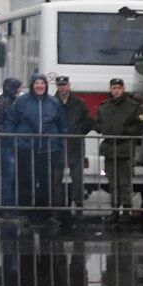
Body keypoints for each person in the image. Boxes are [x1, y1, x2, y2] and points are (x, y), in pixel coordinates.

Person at [7, 73, 67, 222]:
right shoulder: (21, 101)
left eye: (42, 83)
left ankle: (44, 213)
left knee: (46, 181)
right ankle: (26, 212)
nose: (39, 86)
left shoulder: (54, 102)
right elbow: (11, 121)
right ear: (32, 85)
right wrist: (15, 140)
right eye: (36, 83)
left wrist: (60, 144)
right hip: (26, 148)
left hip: (49, 148)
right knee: (26, 181)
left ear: (46, 86)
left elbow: (62, 124)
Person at [94, 78, 143, 225]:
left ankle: (127, 210)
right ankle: (115, 210)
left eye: (118, 88)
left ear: (123, 89)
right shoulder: (105, 106)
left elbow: (141, 126)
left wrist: (124, 132)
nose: (116, 91)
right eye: (114, 88)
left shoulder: (133, 106)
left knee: (125, 183)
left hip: (124, 148)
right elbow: (97, 123)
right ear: (110, 89)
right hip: (110, 149)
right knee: (113, 183)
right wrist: (105, 130)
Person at [54, 76, 93, 217]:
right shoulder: (52, 102)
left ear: (69, 85)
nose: (63, 88)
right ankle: (57, 206)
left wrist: (78, 131)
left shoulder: (79, 103)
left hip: (75, 146)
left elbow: (88, 121)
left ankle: (79, 204)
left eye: (65, 85)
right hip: (58, 146)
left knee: (77, 178)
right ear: (57, 86)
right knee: (56, 179)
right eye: (60, 85)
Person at [0, 78, 21, 212]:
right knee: (8, 175)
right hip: (6, 143)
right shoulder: (4, 102)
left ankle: (10, 205)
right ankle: (8, 207)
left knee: (10, 175)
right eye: (18, 87)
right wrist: (7, 133)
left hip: (9, 142)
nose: (19, 90)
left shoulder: (8, 100)